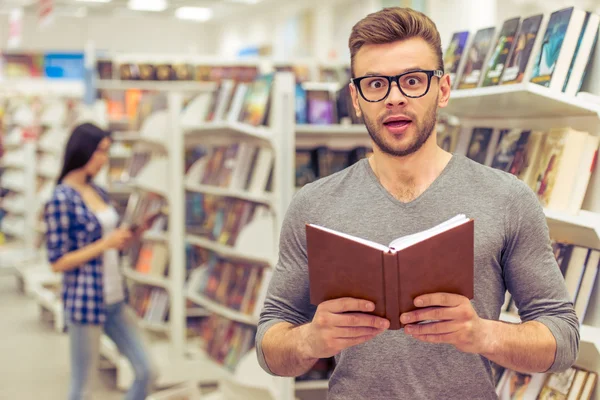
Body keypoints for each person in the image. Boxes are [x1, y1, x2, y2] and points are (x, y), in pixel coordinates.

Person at [256, 7, 579, 400]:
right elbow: (270, 346)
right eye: (375, 84)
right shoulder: (314, 205)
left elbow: (563, 338)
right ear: (356, 98)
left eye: (412, 80)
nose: (394, 98)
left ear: (443, 90)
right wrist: (310, 339)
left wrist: (482, 333)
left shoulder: (507, 198)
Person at [44, 123, 157, 400]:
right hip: (85, 301)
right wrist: (104, 244)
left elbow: (110, 244)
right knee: (82, 388)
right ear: (83, 150)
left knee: (148, 371)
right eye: (100, 151)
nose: (104, 159)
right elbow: (57, 261)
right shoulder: (61, 198)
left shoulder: (99, 192)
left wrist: (132, 235)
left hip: (116, 298)